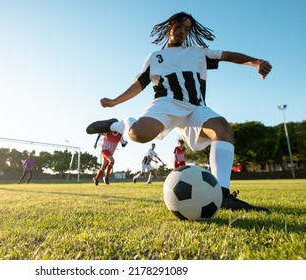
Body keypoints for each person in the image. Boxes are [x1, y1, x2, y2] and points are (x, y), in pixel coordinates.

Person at [86, 12, 271, 212]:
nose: (182, 32)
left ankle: (223, 195)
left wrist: (257, 62)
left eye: (186, 29)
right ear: (169, 27)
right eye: (179, 27)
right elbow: (140, 84)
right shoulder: (156, 56)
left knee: (222, 128)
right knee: (139, 134)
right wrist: (115, 101)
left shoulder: (199, 53)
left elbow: (229, 56)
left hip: (195, 107)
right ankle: (119, 124)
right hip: (165, 104)